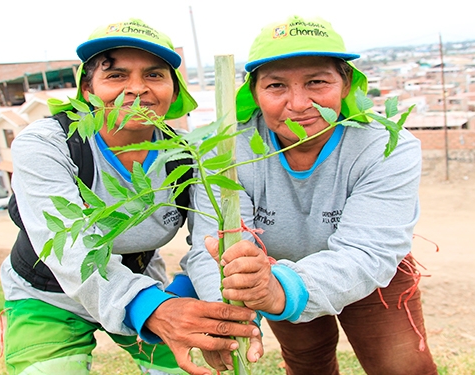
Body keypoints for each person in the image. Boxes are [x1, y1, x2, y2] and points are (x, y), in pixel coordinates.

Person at [0, 18, 261, 375]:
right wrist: (152, 308)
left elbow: (209, 245)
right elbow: (71, 249)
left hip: (141, 284)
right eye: (116, 76)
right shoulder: (48, 144)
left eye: (154, 75)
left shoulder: (189, 153)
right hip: (48, 291)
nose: (137, 89)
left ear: (173, 88)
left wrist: (218, 314)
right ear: (88, 91)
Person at [185, 15, 438, 375]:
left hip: (365, 273)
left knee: (403, 366)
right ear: (254, 92)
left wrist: (280, 289)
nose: (299, 103)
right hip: (270, 273)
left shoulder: (386, 148)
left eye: (317, 82)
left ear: (346, 83)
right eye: (276, 86)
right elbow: (216, 244)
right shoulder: (226, 148)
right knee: (308, 362)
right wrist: (227, 313)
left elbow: (366, 252)